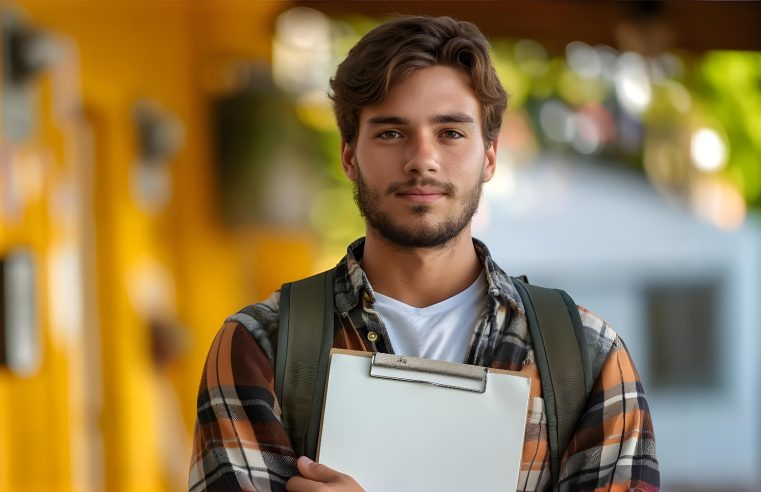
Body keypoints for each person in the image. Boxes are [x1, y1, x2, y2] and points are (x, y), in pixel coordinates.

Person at [188, 15, 659, 492]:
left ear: (490, 156)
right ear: (349, 156)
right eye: (391, 133)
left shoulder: (587, 356)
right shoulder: (261, 347)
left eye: (450, 132)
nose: (422, 159)